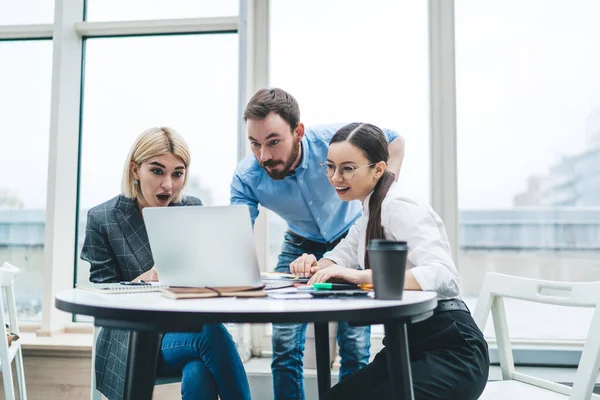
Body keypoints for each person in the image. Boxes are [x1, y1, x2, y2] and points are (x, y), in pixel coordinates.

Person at [290, 122, 489, 400]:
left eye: (347, 168)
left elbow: (445, 275)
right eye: (331, 167)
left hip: (451, 351)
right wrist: (313, 263)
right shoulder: (369, 211)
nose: (336, 177)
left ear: (378, 169)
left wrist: (364, 276)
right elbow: (338, 258)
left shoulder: (398, 206)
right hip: (405, 346)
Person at [230, 88, 406, 400]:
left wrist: (380, 196)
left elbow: (394, 140)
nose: (264, 155)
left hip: (351, 240)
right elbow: (236, 233)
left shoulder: (333, 142)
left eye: (273, 141)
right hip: (298, 245)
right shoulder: (247, 176)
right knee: (284, 344)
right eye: (255, 143)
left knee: (356, 344)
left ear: (298, 132)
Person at [81, 127, 252, 400]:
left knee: (198, 371)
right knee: (210, 333)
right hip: (132, 339)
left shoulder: (190, 208)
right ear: (136, 170)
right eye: (157, 171)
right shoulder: (103, 218)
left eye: (178, 173)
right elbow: (103, 292)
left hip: (182, 334)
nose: (169, 185)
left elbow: (203, 282)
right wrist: (141, 281)